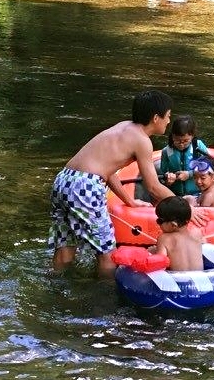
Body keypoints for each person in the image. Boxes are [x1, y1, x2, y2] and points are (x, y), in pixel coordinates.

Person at [49, 90, 176, 275]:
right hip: (85, 187)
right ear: (156, 117)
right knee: (108, 252)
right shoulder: (142, 140)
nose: (168, 121)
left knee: (65, 245)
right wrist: (184, 209)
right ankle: (106, 298)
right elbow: (154, 187)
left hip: (64, 180)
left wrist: (130, 201)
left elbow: (107, 172)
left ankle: (55, 288)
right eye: (168, 116)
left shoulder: (123, 126)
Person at [159, 114, 209, 198]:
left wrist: (189, 174)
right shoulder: (166, 151)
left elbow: (209, 167)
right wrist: (168, 176)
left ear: (192, 136)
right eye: (177, 141)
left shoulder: (198, 146)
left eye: (185, 141)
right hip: (175, 195)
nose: (181, 144)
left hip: (198, 193)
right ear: (172, 136)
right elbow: (163, 171)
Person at [153, 196, 205, 273]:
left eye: (160, 221)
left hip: (179, 282)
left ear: (174, 225)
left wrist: (153, 252)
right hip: (201, 279)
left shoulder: (164, 239)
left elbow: (160, 265)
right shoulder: (197, 233)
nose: (158, 224)